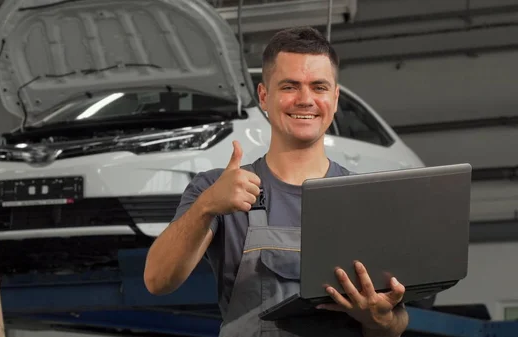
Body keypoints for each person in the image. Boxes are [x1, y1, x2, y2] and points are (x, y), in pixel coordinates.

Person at [144, 26, 409, 337]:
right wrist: (206, 208)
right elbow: (157, 280)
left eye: (319, 87)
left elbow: (396, 322)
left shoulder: (366, 198)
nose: (305, 99)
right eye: (290, 86)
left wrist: (380, 320)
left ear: (335, 99)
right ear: (264, 96)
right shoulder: (217, 190)